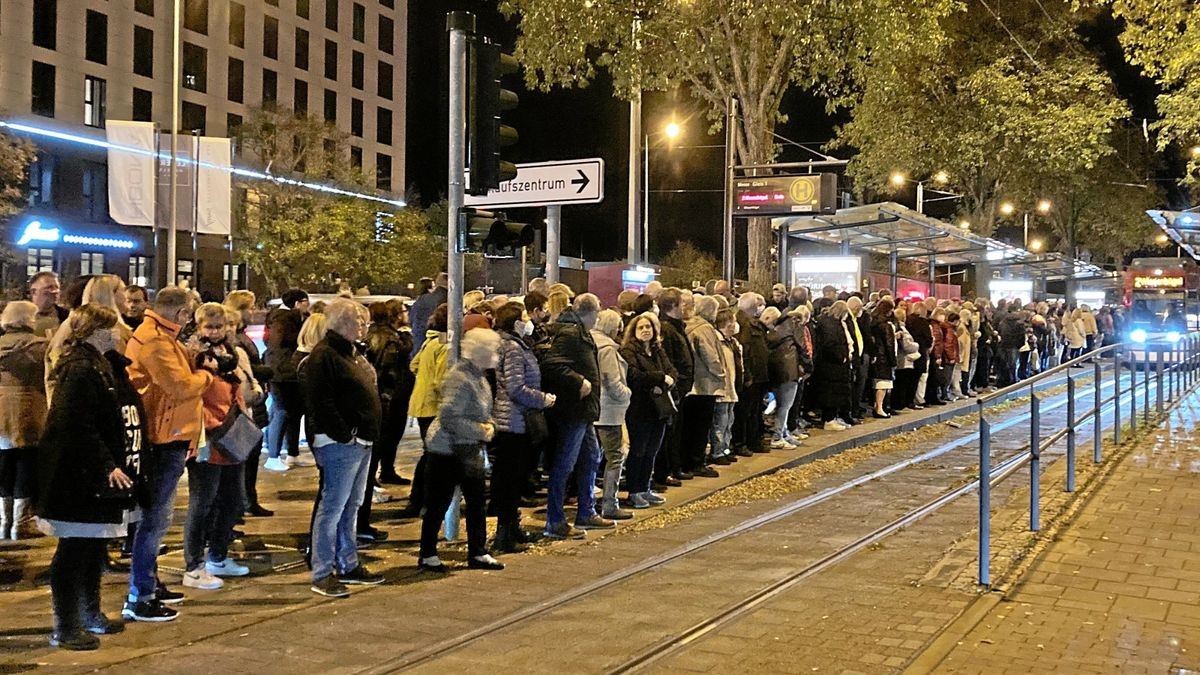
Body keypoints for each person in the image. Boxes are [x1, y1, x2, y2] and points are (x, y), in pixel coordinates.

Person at [37, 305, 134, 650]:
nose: (117, 334)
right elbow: (75, 424)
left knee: (92, 546)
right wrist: (106, 464)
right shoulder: (80, 369)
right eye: (110, 329)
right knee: (75, 548)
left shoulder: (99, 364)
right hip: (77, 476)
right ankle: (66, 625)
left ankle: (89, 613)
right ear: (96, 331)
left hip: (89, 472)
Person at [123, 286, 215, 623]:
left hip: (169, 433)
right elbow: (179, 386)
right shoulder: (156, 341)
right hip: (164, 437)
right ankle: (141, 594)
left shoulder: (160, 336)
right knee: (155, 520)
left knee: (155, 520)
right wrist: (206, 375)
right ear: (181, 314)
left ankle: (149, 583)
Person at [300, 299, 385, 598]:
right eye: (359, 321)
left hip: (359, 440)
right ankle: (322, 571)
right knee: (333, 507)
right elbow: (320, 402)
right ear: (344, 324)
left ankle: (348, 563)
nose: (363, 326)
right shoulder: (325, 356)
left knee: (351, 505)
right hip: (342, 444)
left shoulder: (349, 352)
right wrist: (345, 434)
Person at [181, 304, 260, 591]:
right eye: (209, 326)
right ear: (199, 327)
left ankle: (218, 555)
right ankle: (193, 564)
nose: (214, 331)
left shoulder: (230, 354)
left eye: (219, 326)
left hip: (232, 435)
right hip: (208, 437)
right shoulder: (194, 356)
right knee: (202, 502)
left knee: (232, 500)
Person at [416, 329, 507, 572]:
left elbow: (483, 412)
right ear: (481, 352)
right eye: (493, 350)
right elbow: (448, 417)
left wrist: (490, 426)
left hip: (468, 449)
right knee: (439, 502)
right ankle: (427, 553)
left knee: (477, 501)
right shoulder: (460, 377)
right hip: (447, 450)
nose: (497, 355)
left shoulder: (478, 376)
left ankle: (478, 552)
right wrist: (482, 430)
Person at [540, 293, 612, 539]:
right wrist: (578, 380)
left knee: (592, 456)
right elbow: (552, 364)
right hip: (574, 410)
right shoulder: (571, 333)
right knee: (565, 464)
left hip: (583, 411)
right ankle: (555, 521)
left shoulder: (576, 331)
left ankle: (586, 511)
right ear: (592, 312)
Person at [491, 301, 557, 551]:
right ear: (516, 322)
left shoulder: (515, 345)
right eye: (524, 317)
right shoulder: (513, 348)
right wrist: (543, 399)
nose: (529, 320)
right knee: (511, 478)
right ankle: (504, 535)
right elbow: (516, 387)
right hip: (515, 422)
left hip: (517, 420)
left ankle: (511, 529)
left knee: (514, 479)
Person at [357, 301, 412, 542]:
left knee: (378, 449)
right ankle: (360, 523)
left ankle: (382, 475)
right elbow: (390, 368)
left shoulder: (371, 336)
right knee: (384, 442)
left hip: (381, 398)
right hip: (388, 398)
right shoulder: (392, 339)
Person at [0, 301, 49, 539]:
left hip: (0, 417)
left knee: (4, 468)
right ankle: (20, 524)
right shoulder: (38, 348)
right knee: (25, 468)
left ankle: (3, 522)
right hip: (29, 415)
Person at [620, 312, 677, 509]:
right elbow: (635, 376)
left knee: (652, 450)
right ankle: (634, 491)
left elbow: (672, 372)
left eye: (649, 327)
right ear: (634, 331)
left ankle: (645, 487)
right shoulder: (629, 352)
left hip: (658, 409)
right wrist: (660, 378)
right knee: (638, 451)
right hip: (639, 409)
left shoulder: (658, 351)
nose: (645, 330)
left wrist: (662, 379)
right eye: (641, 327)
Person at [224, 290, 274, 517]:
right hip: (246, 407)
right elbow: (246, 373)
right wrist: (263, 373)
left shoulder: (241, 337)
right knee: (243, 459)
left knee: (249, 458)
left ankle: (245, 501)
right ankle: (243, 503)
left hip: (253, 405)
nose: (253, 312)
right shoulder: (236, 341)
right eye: (250, 308)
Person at [402, 303, 451, 517]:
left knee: (429, 454)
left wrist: (424, 376)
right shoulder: (446, 346)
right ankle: (424, 501)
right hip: (434, 407)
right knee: (434, 457)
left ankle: (417, 499)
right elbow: (442, 381)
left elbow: (414, 365)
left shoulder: (430, 341)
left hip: (422, 404)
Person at [590, 309, 632, 517]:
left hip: (595, 408)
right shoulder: (607, 348)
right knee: (615, 456)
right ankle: (610, 503)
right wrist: (627, 394)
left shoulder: (591, 341)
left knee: (594, 457)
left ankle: (589, 502)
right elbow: (612, 382)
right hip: (609, 410)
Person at [264, 289, 310, 472]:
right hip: (283, 373)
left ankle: (292, 453)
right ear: (298, 303)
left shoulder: (279, 316)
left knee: (293, 412)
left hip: (282, 371)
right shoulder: (286, 318)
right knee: (282, 412)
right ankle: (274, 455)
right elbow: (281, 342)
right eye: (306, 301)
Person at [681, 296, 724, 477]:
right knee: (701, 426)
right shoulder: (704, 329)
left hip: (692, 386)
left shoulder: (689, 326)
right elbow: (710, 356)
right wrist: (722, 374)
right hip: (704, 384)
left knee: (689, 426)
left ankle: (688, 460)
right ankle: (697, 462)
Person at [655, 289, 695, 484]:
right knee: (670, 433)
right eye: (681, 304)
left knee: (676, 432)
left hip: (681, 388)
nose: (684, 308)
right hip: (675, 390)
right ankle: (669, 469)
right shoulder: (668, 328)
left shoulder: (676, 327)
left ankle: (674, 466)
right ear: (673, 306)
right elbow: (670, 360)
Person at [733, 293, 769, 455]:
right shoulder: (743, 324)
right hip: (751, 377)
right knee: (745, 412)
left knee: (753, 411)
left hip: (757, 376)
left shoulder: (751, 324)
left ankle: (752, 440)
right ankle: (742, 442)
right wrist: (747, 375)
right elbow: (745, 352)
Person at [813, 300, 854, 429]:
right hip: (832, 366)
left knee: (835, 393)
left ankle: (833, 417)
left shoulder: (829, 322)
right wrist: (841, 357)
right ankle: (829, 419)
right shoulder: (831, 325)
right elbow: (830, 344)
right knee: (832, 393)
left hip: (834, 365)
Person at [710, 309, 741, 465]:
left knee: (729, 420)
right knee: (719, 423)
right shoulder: (718, 342)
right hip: (722, 388)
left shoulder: (732, 342)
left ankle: (726, 448)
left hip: (732, 387)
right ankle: (717, 451)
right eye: (732, 322)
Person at [869, 299, 898, 418]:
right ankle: (879, 408)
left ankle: (877, 406)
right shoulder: (886, 325)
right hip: (884, 358)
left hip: (877, 356)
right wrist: (893, 360)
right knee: (883, 384)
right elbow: (889, 343)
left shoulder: (873, 322)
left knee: (877, 384)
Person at [409, 272, 449, 358]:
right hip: (438, 346)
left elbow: (412, 320)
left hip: (419, 345)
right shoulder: (449, 300)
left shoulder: (422, 299)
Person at [29, 271, 68, 338]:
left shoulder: (66, 316)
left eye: (57, 287)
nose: (55, 291)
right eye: (49, 287)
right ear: (34, 291)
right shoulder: (19, 315)